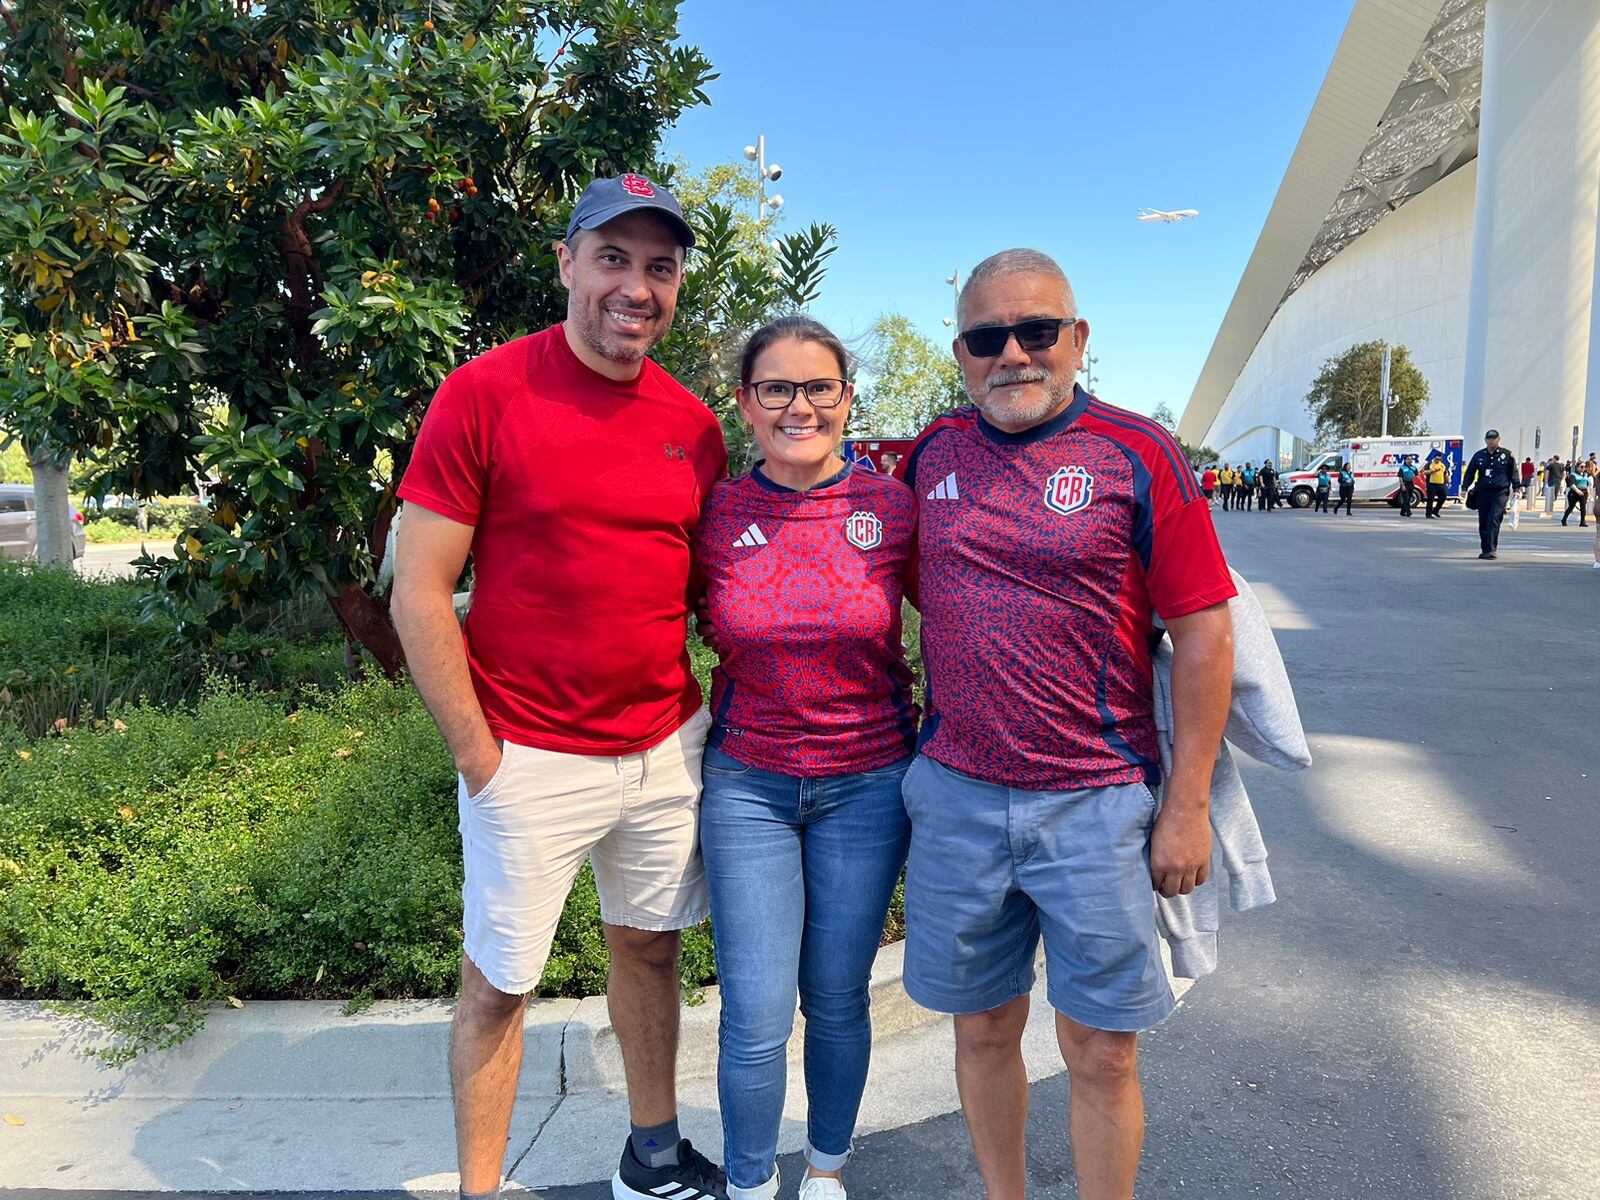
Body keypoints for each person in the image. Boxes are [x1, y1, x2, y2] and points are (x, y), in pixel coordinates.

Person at [390, 174, 733, 1200]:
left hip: (665, 747)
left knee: (650, 951)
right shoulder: (485, 392)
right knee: (499, 987)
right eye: (614, 259)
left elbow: (716, 597)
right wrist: (477, 758)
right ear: (567, 264)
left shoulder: (693, 424)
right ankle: (481, 1190)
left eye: (659, 267)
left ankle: (653, 1156)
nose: (637, 286)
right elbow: (418, 590)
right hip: (525, 755)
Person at [896, 249, 1235, 1200]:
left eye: (1036, 330)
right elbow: (919, 592)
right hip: (958, 799)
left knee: (1100, 1051)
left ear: (1077, 340)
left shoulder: (1138, 452)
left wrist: (1188, 805)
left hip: (1096, 805)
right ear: (961, 352)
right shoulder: (931, 457)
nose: (1013, 354)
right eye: (986, 337)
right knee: (982, 1030)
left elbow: (1204, 631)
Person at [694, 316, 917, 1200]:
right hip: (747, 785)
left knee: (835, 998)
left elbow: (967, 613)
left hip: (868, 785)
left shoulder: (890, 509)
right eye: (776, 388)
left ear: (846, 398)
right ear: (746, 403)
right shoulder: (713, 513)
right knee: (752, 1015)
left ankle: (825, 1173)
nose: (800, 406)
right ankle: (749, 1185)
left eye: (819, 387)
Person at [1461, 428, 1524, 559]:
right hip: (1482, 493)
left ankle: (1491, 550)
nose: (1491, 441)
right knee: (1483, 521)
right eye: (1489, 439)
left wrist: (1517, 488)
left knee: (1493, 519)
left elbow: (1513, 473)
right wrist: (1465, 487)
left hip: (1500, 493)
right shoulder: (1479, 455)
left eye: (1494, 438)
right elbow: (1470, 472)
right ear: (1485, 440)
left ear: (1498, 439)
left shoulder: (1507, 455)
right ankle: (1485, 549)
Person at [1562, 461, 1591, 527]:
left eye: (1584, 467)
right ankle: (1564, 519)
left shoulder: (1586, 475)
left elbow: (1587, 484)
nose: (1583, 468)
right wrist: (1577, 491)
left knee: (1583, 507)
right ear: (1577, 467)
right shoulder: (1573, 475)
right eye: (1581, 467)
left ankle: (1582, 522)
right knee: (1571, 507)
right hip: (1574, 493)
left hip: (1583, 493)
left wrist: (1588, 492)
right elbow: (1572, 484)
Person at [1423, 453, 1448, 518]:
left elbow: (1445, 473)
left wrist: (1448, 481)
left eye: (1439, 459)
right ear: (1434, 458)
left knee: (1443, 497)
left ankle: (1436, 510)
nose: (1438, 460)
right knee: (1430, 499)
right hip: (1431, 484)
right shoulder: (1430, 464)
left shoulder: (1442, 465)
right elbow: (1424, 472)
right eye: (1437, 459)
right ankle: (1428, 514)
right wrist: (1433, 471)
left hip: (1441, 484)